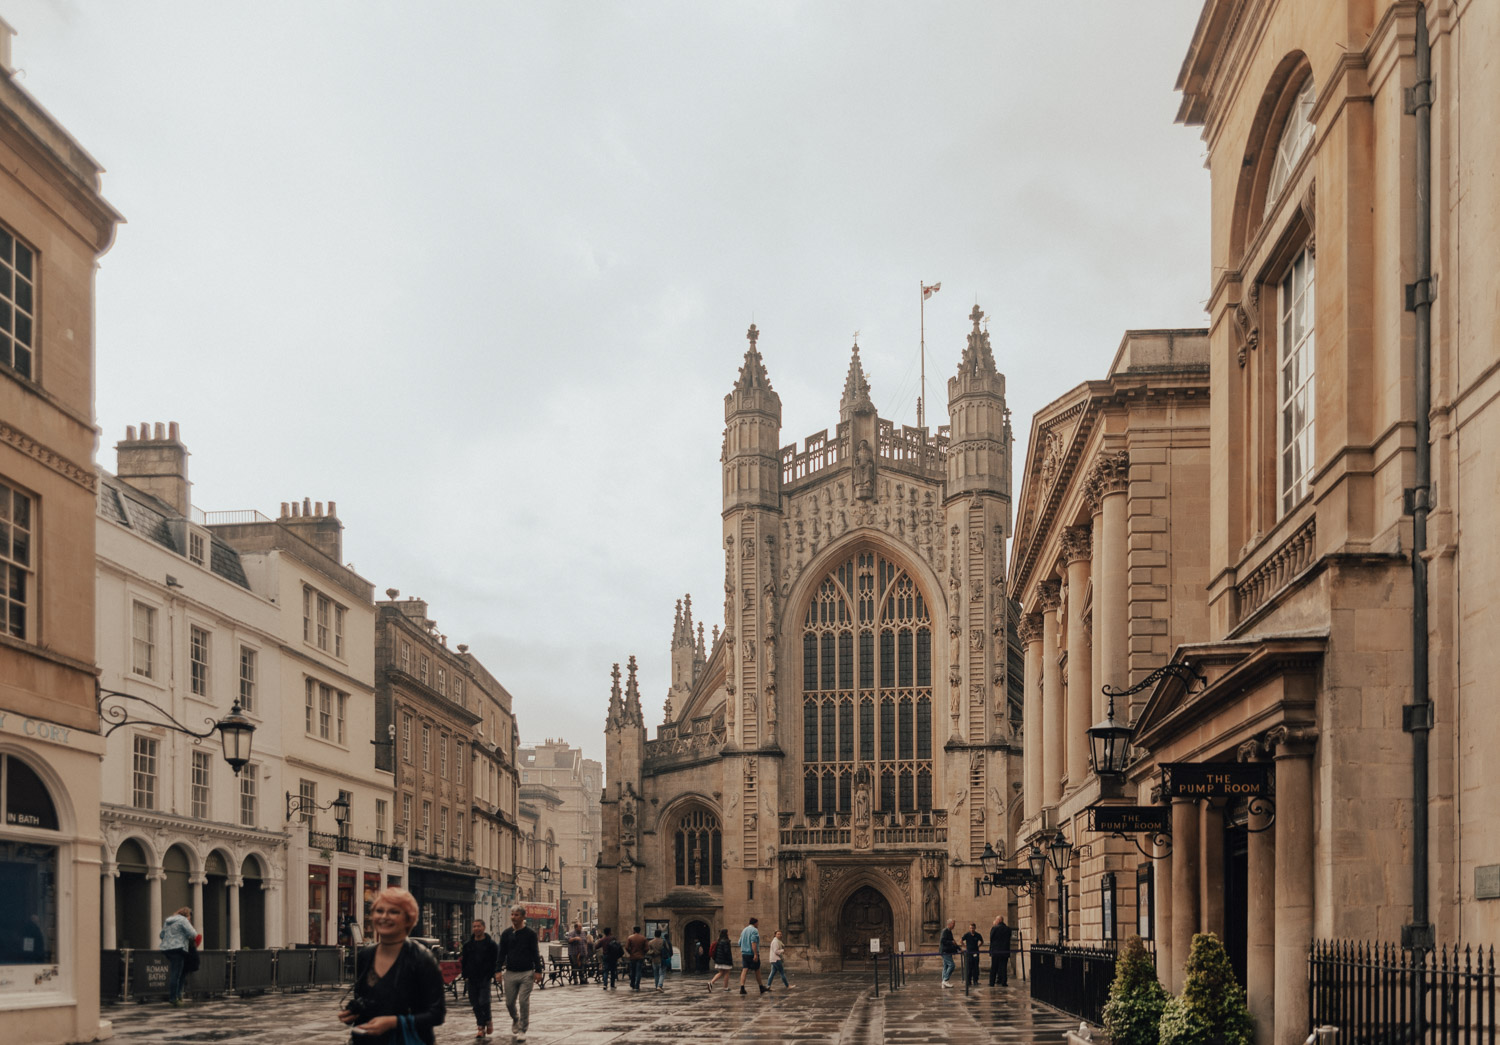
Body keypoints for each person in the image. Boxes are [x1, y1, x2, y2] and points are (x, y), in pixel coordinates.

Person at [338, 887, 447, 1044]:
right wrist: (353, 1013)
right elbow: (365, 999)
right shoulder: (366, 955)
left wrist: (393, 1022)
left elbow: (437, 1014)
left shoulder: (422, 958)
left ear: (408, 919)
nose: (384, 916)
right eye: (379, 911)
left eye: (394, 912)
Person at [497, 905, 545, 1039]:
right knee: (509, 1003)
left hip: (526, 973)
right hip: (511, 972)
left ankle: (523, 1029)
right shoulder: (506, 934)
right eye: (512, 914)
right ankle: (515, 1018)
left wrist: (538, 971)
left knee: (523, 1001)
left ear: (523, 917)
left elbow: (535, 953)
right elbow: (501, 953)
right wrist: (498, 970)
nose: (513, 917)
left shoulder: (530, 934)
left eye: (516, 915)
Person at [460, 919, 499, 1038]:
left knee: (484, 1001)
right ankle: (481, 1025)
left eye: (479, 926)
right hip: (472, 977)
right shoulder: (468, 945)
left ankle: (487, 1021)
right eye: (474, 926)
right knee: (475, 1003)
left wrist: (493, 973)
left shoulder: (491, 944)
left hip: (485, 977)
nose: (476, 929)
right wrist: (465, 975)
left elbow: (495, 960)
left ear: (484, 927)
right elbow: (464, 961)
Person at [159, 906, 197, 1006]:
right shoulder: (183, 920)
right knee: (176, 974)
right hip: (178, 948)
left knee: (176, 972)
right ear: (187, 915)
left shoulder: (168, 921)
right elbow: (193, 934)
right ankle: (173, 998)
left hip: (167, 949)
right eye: (189, 916)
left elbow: (161, 935)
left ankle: (177, 996)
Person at [737, 917, 766, 994]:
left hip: (744, 953)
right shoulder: (754, 930)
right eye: (758, 923)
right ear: (755, 923)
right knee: (757, 970)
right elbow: (753, 942)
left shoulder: (744, 930)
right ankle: (761, 987)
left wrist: (744, 947)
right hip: (751, 953)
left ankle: (742, 987)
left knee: (744, 969)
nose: (758, 924)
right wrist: (755, 954)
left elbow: (739, 942)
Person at [989, 915, 1012, 987]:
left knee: (994, 967)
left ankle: (992, 982)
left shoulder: (995, 928)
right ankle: (1004, 982)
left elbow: (991, 938)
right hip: (1005, 951)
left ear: (998, 920)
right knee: (1003, 967)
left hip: (996, 951)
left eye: (996, 920)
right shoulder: (1008, 929)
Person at [624, 926, 648, 990]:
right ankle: (637, 984)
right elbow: (646, 948)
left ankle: (632, 983)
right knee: (639, 971)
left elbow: (626, 947)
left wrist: (630, 952)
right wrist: (643, 953)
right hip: (640, 957)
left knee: (633, 971)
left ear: (634, 930)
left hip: (633, 957)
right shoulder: (643, 938)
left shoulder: (630, 938)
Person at [961, 922, 983, 987]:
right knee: (969, 967)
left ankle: (975, 980)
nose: (971, 929)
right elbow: (961, 940)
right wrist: (965, 946)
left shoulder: (978, 935)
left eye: (973, 928)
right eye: (970, 928)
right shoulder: (967, 935)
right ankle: (968, 981)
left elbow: (982, 941)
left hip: (975, 952)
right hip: (969, 953)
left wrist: (978, 946)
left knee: (975, 967)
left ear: (975, 928)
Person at [939, 918, 959, 988]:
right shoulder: (945, 931)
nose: (954, 925)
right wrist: (951, 942)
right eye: (953, 924)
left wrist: (959, 949)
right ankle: (945, 980)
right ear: (949, 924)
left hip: (947, 951)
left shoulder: (949, 932)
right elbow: (943, 941)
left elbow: (953, 942)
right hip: (945, 951)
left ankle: (943, 983)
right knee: (952, 965)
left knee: (945, 966)